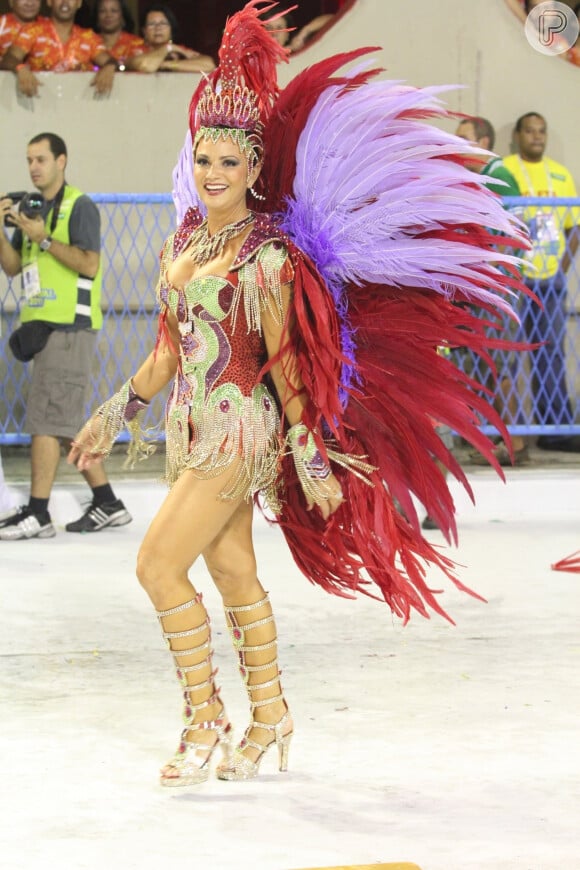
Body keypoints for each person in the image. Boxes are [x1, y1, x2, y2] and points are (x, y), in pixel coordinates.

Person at [68, 1, 527, 787]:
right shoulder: (183, 240)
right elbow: (165, 353)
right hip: (187, 425)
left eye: (228, 164)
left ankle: (205, 717)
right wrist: (114, 413)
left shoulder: (269, 256)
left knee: (155, 566)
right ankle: (272, 714)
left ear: (254, 168)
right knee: (233, 573)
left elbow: (282, 361)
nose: (212, 175)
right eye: (203, 161)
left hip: (238, 433)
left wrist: (308, 449)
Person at [0, 132, 131, 540]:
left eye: (41, 159)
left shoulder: (80, 206)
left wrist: (43, 236)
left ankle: (38, 514)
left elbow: (89, 265)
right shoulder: (30, 209)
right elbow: (15, 267)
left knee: (44, 419)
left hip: (68, 327)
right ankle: (108, 501)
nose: (34, 167)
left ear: (62, 161)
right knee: (64, 421)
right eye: (29, 160)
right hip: (43, 327)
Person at [454, 116, 529, 467]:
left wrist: (496, 274)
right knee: (485, 365)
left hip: (497, 284)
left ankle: (514, 441)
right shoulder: (470, 176)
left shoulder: (499, 174)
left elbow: (516, 228)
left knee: (503, 365)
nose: (456, 144)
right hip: (479, 284)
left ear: (483, 141)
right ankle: (497, 438)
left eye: (464, 138)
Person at [504, 112, 580, 452]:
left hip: (550, 278)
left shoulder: (560, 174)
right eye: (530, 131)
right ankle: (502, 432)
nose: (537, 136)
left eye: (542, 131)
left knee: (550, 354)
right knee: (504, 354)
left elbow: (572, 228)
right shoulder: (504, 170)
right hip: (513, 280)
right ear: (518, 135)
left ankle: (555, 431)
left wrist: (563, 267)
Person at [0, 0, 117, 98]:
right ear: (49, 2)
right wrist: (20, 69)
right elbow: (10, 58)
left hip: (79, 109)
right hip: (39, 108)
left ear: (79, 3)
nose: (65, 2)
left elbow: (110, 61)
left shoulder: (89, 37)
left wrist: (109, 67)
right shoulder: (32, 31)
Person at [128, 4, 215, 74]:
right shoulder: (134, 49)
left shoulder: (179, 50)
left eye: (163, 23)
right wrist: (168, 48)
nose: (158, 28)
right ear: (144, 31)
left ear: (171, 29)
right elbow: (147, 66)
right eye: (152, 24)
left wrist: (166, 65)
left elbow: (209, 65)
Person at [91, 0, 145, 69]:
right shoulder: (88, 42)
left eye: (114, 11)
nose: (108, 15)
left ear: (123, 16)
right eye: (102, 11)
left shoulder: (136, 43)